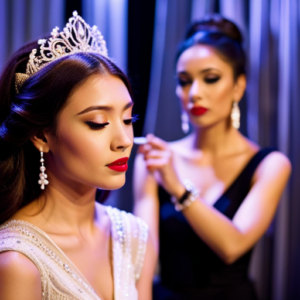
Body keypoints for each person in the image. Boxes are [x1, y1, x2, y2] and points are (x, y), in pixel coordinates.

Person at [133, 14, 291, 300]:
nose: (194, 93)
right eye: (184, 81)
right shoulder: (155, 161)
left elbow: (232, 245)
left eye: (211, 79)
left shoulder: (269, 165)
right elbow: (143, 257)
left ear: (238, 86)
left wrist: (178, 188)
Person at [0, 11, 155, 300]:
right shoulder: (17, 263)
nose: (123, 141)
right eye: (98, 122)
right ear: (41, 136)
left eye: (128, 119)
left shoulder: (134, 236)